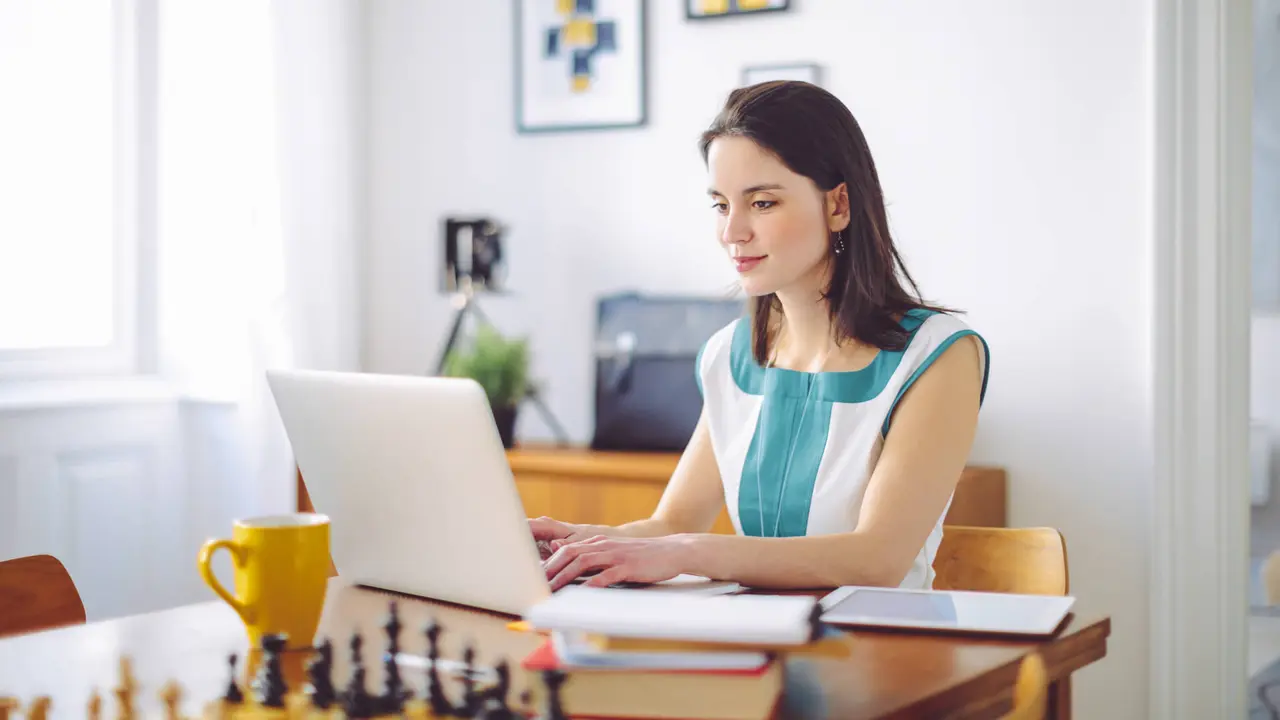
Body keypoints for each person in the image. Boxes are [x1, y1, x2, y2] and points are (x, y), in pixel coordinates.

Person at [531, 80, 990, 592]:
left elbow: (876, 559)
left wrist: (687, 552)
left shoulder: (938, 357)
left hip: (884, 654)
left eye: (763, 203)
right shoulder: (729, 355)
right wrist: (577, 545)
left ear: (839, 205)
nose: (733, 232)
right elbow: (672, 525)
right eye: (721, 205)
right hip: (754, 645)